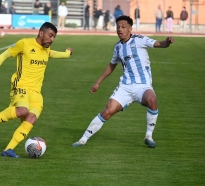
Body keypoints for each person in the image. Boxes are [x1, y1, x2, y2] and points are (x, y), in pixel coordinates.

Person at [0, 22, 73, 158]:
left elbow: (58, 54)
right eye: (50, 35)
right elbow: (4, 56)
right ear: (41, 33)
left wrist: (67, 53)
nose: (52, 40)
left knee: (31, 118)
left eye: (54, 37)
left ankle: (8, 150)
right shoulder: (24, 44)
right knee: (22, 110)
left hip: (36, 93)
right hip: (20, 86)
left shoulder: (46, 51)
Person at [71, 15, 174, 149]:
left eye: (123, 27)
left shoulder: (140, 40)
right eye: (118, 27)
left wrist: (167, 42)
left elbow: (159, 44)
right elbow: (112, 65)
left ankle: (149, 136)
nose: (120, 29)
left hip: (143, 86)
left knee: (152, 100)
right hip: (125, 87)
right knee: (107, 111)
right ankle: (83, 139)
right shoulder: (118, 47)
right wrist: (98, 82)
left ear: (130, 29)